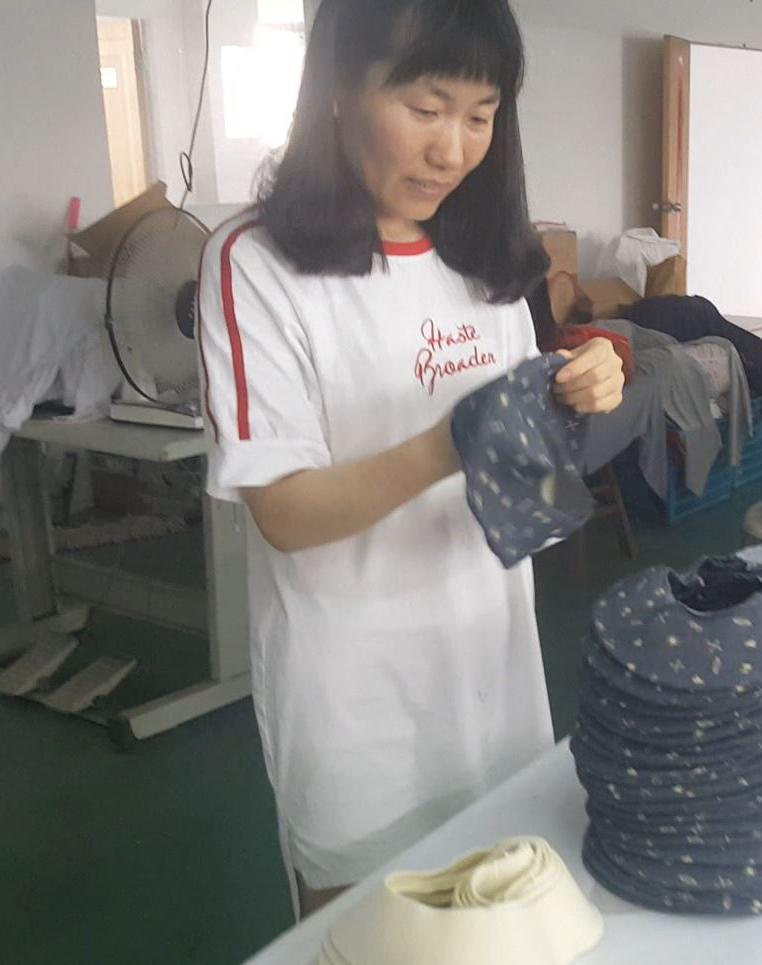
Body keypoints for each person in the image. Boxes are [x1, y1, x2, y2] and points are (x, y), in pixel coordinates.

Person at [194, 0, 624, 917]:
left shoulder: (488, 257)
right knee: (364, 953)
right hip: (355, 696)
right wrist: (448, 442)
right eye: (427, 109)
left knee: (501, 927)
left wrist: (573, 393)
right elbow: (285, 512)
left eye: (481, 115)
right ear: (340, 91)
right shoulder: (256, 262)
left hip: (491, 667)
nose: (453, 150)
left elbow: (526, 473)